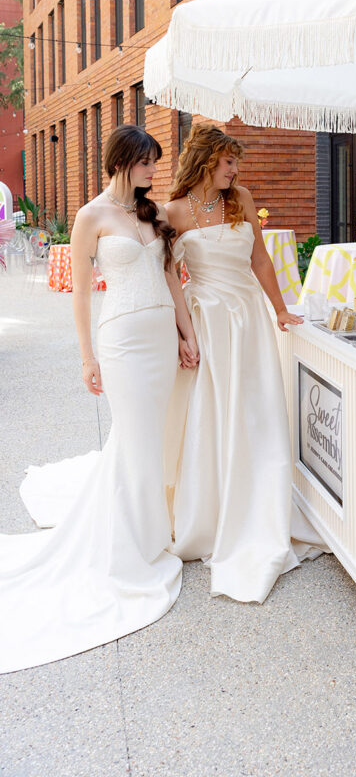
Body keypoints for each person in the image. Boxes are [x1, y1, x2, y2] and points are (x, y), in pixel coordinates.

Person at [0, 125, 198, 674]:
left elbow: (173, 280)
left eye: (154, 165)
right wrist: (87, 357)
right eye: (146, 164)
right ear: (122, 162)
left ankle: (146, 529)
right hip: (122, 341)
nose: (152, 173)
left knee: (149, 440)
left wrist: (187, 334)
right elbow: (81, 295)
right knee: (134, 440)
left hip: (160, 336)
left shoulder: (150, 215)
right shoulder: (92, 217)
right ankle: (130, 547)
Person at [164, 123, 325, 604]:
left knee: (255, 408)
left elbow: (260, 261)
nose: (236, 170)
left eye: (237, 162)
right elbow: (171, 275)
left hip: (248, 318)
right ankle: (211, 511)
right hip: (208, 320)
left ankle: (260, 500)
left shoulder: (242, 199)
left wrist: (279, 308)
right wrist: (182, 333)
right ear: (208, 160)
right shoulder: (173, 211)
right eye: (230, 161)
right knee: (213, 411)